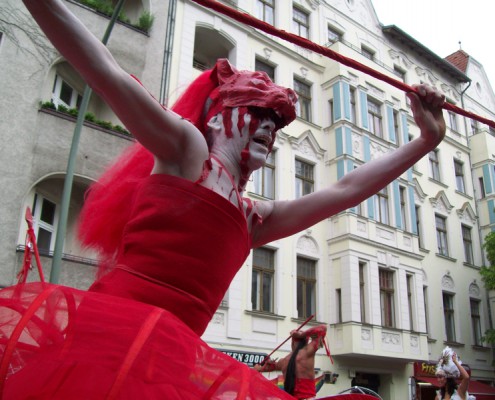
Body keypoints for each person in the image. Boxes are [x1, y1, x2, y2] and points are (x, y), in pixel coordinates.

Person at [0, 0, 446, 398]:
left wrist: (424, 142)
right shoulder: (187, 152)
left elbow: (346, 190)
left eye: (277, 121)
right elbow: (108, 73)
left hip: (166, 365)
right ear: (216, 119)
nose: (270, 128)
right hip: (109, 340)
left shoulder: (255, 217)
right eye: (258, 112)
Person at [254, 325, 329, 399]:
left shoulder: (284, 361)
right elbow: (323, 328)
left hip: (289, 397)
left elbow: (271, 367)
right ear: (306, 341)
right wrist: (302, 334)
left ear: (292, 342)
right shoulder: (307, 352)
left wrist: (259, 368)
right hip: (306, 397)